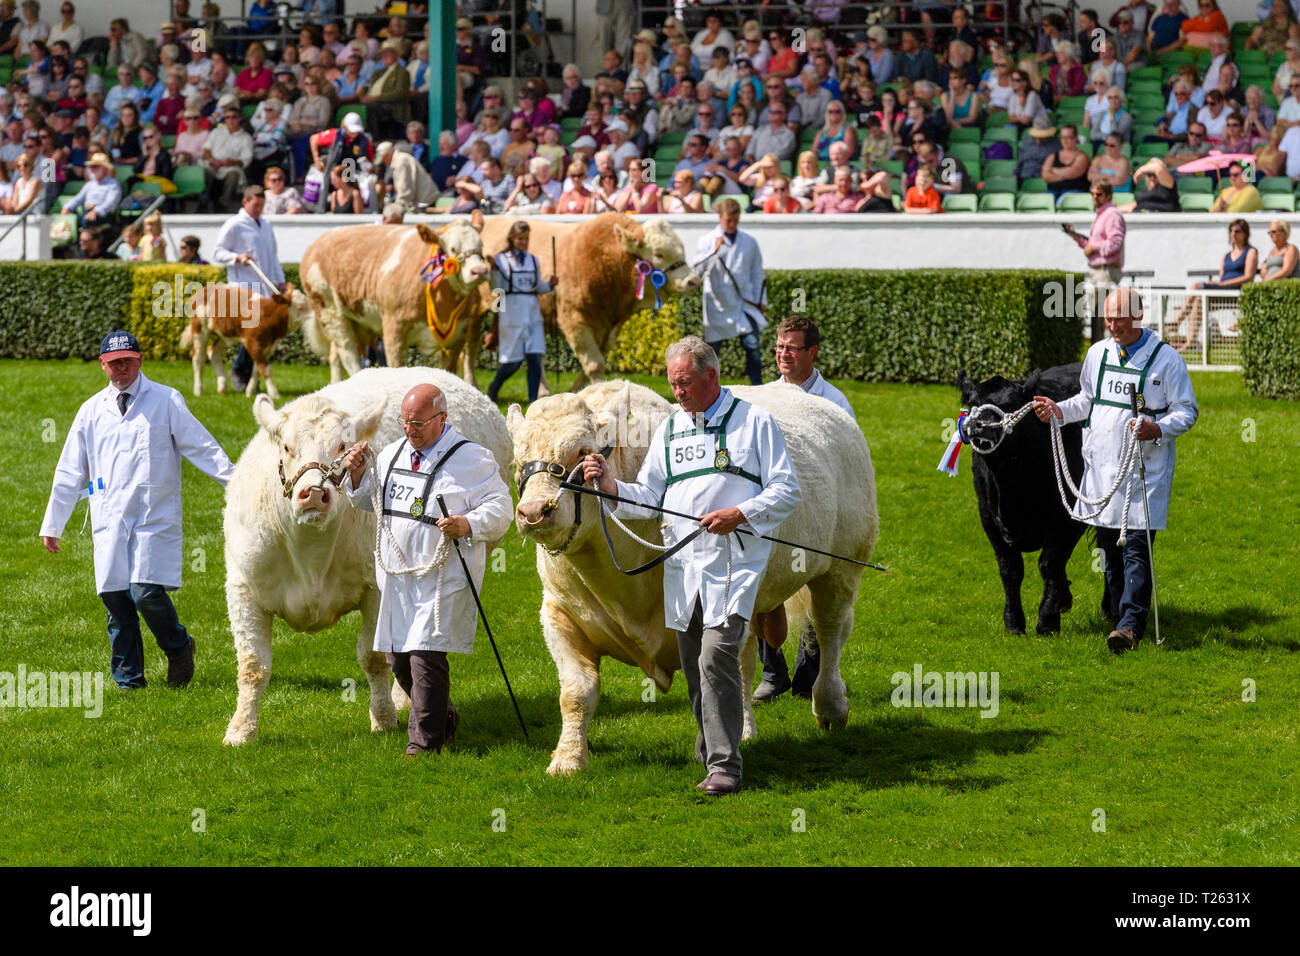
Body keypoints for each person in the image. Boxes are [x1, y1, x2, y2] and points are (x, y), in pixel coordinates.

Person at [580, 336, 801, 795]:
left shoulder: (754, 422)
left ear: (711, 377)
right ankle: (710, 751)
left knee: (715, 658)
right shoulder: (671, 429)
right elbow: (651, 496)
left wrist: (738, 514)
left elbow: (787, 490)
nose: (677, 393)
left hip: (733, 563)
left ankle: (725, 766)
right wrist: (610, 486)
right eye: (672, 385)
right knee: (694, 666)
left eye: (684, 383)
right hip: (683, 567)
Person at [40, 329, 234, 689]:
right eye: (114, 363)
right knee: (115, 598)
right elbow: (70, 469)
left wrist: (236, 483)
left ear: (140, 360)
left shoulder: (166, 400)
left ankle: (178, 647)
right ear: (103, 365)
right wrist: (54, 523)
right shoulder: (90, 412)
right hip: (110, 516)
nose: (121, 369)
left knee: (145, 591)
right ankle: (129, 680)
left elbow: (202, 446)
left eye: (127, 361)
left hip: (152, 516)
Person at [340, 383, 511, 756]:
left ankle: (424, 745)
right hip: (399, 576)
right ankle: (444, 717)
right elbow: (372, 501)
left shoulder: (473, 459)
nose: (409, 430)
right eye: (404, 422)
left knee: (425, 657)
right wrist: (355, 474)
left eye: (418, 423)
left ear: (442, 418)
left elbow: (501, 508)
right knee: (397, 658)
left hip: (441, 577)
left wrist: (468, 523)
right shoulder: (392, 454)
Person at [1033, 288, 1198, 653]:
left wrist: (1158, 428)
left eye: (1119, 319)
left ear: (1139, 315)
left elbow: (1187, 411)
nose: (1113, 326)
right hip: (1103, 471)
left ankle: (1130, 627)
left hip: (1143, 472)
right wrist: (1058, 410)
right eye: (1108, 319)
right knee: (1109, 550)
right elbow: (1087, 401)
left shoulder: (1166, 360)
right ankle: (1117, 615)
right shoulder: (1098, 354)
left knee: (1137, 549)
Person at [751, 315, 852, 702]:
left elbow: (847, 464)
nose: (783, 355)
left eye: (792, 348)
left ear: (812, 352)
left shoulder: (834, 403)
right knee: (767, 590)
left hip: (819, 512)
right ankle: (772, 672)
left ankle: (810, 676)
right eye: (779, 347)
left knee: (815, 590)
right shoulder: (763, 399)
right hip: (778, 511)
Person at [211, 185, 286, 391]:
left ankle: (250, 378)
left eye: (262, 205)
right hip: (243, 289)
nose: (259, 209)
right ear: (245, 202)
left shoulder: (266, 225)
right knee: (252, 334)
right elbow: (217, 252)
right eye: (255, 205)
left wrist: (280, 282)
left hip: (265, 291)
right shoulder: (234, 225)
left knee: (263, 336)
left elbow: (273, 258)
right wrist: (237, 257)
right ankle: (240, 373)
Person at [692, 198, 766, 385]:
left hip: (744, 304)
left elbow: (757, 271)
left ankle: (757, 387)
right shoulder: (706, 240)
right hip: (717, 305)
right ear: (720, 217)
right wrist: (714, 251)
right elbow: (698, 270)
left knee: (753, 347)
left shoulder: (749, 242)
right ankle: (708, 390)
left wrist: (760, 300)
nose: (731, 224)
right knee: (712, 354)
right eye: (728, 221)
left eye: (735, 220)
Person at [484, 221, 556, 404]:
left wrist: (550, 285)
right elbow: (495, 288)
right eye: (520, 239)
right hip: (512, 312)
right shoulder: (501, 260)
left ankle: (533, 401)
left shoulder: (533, 260)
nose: (524, 242)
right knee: (512, 362)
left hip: (532, 313)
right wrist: (493, 271)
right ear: (512, 238)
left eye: (526, 239)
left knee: (535, 357)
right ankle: (494, 386)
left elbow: (536, 288)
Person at [1168, 219, 1258, 351]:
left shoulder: (1250, 252)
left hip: (1237, 292)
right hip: (1222, 291)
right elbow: (1222, 276)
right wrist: (1219, 284)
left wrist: (1222, 283)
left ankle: (1176, 322)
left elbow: (1248, 276)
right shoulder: (1227, 256)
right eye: (1231, 231)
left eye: (1237, 231)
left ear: (1245, 234)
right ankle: (1191, 341)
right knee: (1198, 301)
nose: (1233, 234)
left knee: (1196, 286)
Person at [1064, 181, 1126, 342]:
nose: (1094, 197)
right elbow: (1091, 246)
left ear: (1108, 195)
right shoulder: (1101, 215)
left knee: (1107, 318)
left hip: (1106, 271)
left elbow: (1115, 243)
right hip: (1098, 270)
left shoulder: (1112, 214)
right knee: (1098, 318)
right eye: (1092, 194)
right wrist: (1075, 236)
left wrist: (1093, 247)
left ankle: (1111, 356)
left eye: (1098, 194)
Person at [375, 139, 436, 213]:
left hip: (426, 203)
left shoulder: (401, 161)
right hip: (422, 202)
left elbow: (404, 192)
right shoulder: (398, 159)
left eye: (383, 159)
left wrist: (394, 210)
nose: (383, 162)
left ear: (388, 155)